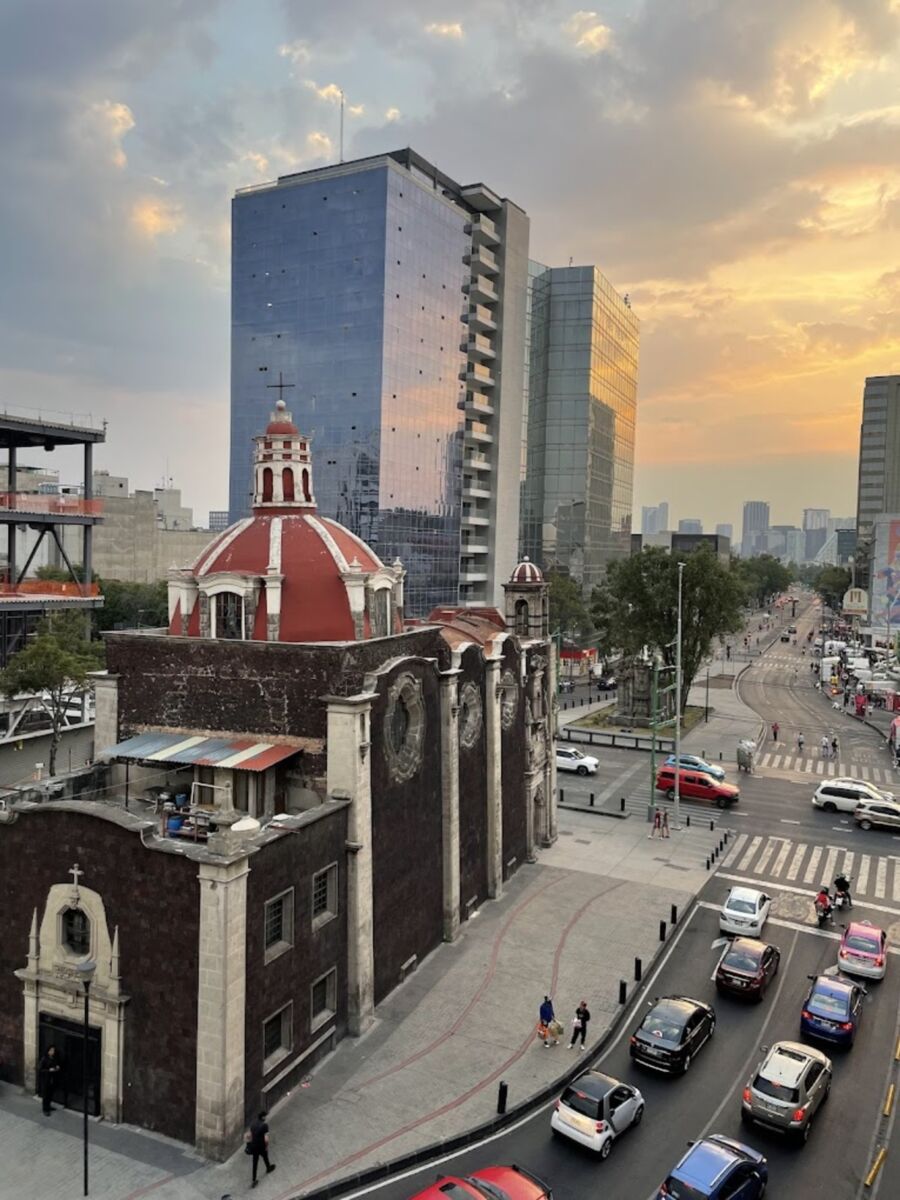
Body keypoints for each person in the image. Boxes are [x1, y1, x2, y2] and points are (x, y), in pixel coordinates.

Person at [248, 1111, 275, 1188]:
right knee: (265, 1157)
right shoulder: (265, 1125)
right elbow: (266, 1139)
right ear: (263, 1117)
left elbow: (249, 1136)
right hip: (261, 1146)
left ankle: (254, 1180)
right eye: (265, 1116)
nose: (266, 1117)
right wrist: (266, 1146)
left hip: (254, 1146)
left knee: (255, 1163)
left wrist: (250, 1144)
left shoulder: (253, 1124)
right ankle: (268, 1168)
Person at [38, 1045, 60, 1115]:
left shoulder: (53, 1058)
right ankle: (45, 1109)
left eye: (53, 1051)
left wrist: (56, 1067)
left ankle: (49, 1106)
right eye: (51, 1050)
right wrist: (49, 1070)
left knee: (50, 1094)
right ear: (48, 1051)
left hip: (51, 1079)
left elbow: (54, 1065)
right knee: (45, 1095)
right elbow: (40, 1069)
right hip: (45, 1080)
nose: (52, 1052)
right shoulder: (44, 1059)